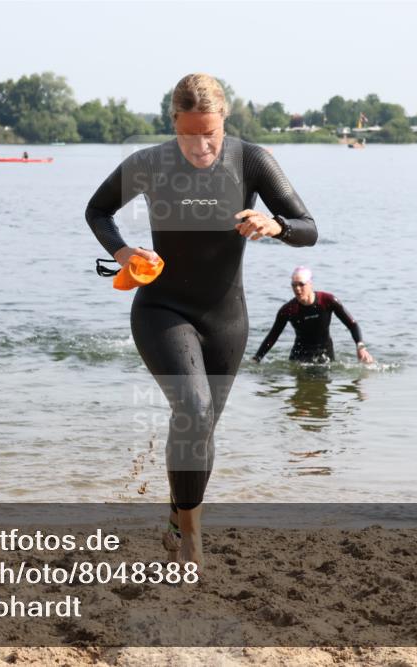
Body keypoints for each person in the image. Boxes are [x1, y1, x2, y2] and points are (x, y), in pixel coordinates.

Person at [85, 73, 317, 565]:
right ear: (175, 125)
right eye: (189, 134)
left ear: (223, 122)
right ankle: (191, 538)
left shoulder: (251, 160)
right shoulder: (150, 163)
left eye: (209, 133)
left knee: (202, 427)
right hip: (162, 309)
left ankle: (177, 515)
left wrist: (274, 225)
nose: (200, 145)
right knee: (192, 409)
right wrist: (125, 252)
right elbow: (97, 210)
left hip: (226, 318)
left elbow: (308, 229)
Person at [253, 266, 374, 364]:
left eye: (301, 284)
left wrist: (360, 347)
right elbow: (272, 336)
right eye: (294, 285)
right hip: (299, 357)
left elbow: (352, 324)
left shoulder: (327, 301)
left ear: (310, 284)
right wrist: (257, 358)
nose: (297, 289)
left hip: (325, 355)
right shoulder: (288, 309)